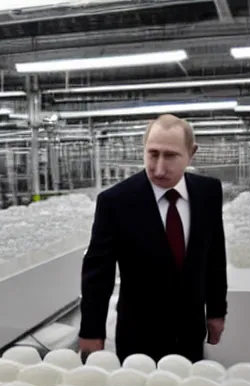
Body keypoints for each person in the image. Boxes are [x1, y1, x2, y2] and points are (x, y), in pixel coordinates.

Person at [78, 114, 227, 363]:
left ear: (192, 153)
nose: (159, 168)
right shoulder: (116, 202)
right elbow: (97, 274)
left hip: (190, 330)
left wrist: (216, 312)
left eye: (170, 156)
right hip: (138, 334)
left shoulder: (208, 193)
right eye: (152, 154)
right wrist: (92, 331)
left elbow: (214, 256)